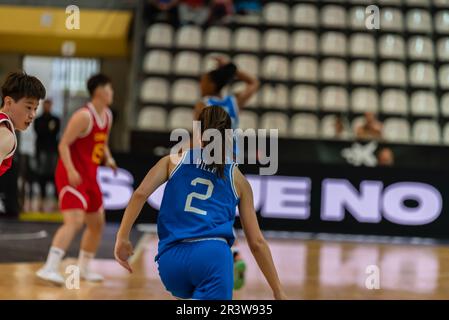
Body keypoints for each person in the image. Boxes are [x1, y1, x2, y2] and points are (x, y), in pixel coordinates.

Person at [115, 107, 286, 300]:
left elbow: (140, 194)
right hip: (212, 258)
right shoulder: (238, 179)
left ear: (198, 131)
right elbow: (256, 243)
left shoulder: (173, 161)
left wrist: (122, 237)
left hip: (170, 261)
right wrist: (278, 290)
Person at [36, 74, 117, 285]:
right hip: (71, 174)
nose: (112, 93)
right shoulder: (83, 116)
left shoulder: (107, 115)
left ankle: (83, 268)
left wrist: (108, 158)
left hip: (90, 176)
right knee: (75, 221)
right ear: (99, 91)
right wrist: (71, 170)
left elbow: (102, 142)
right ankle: (49, 267)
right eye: (110, 89)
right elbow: (63, 144)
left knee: (97, 224)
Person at [194, 56, 260, 290]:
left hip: (208, 164)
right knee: (225, 213)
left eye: (203, 80)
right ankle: (232, 257)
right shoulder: (233, 102)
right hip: (231, 165)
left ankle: (226, 259)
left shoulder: (203, 103)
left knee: (205, 213)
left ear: (212, 84)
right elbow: (254, 83)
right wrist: (232, 68)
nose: (200, 84)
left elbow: (198, 137)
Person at [0, 71, 46, 177]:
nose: (33, 114)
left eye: (36, 108)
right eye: (28, 107)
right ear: (8, 103)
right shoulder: (6, 135)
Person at [34, 99, 61, 211]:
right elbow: (39, 132)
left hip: (53, 151)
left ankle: (56, 201)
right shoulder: (38, 120)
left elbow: (55, 132)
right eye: (45, 105)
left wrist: (48, 131)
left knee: (55, 176)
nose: (47, 107)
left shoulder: (56, 119)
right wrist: (48, 130)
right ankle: (42, 200)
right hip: (41, 151)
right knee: (41, 176)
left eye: (49, 105)